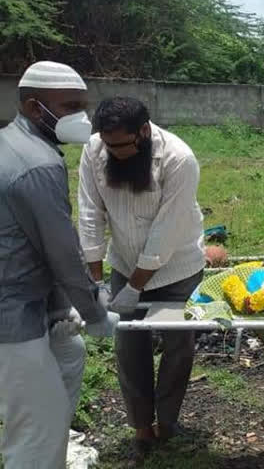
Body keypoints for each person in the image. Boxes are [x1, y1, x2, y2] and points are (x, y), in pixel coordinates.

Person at [0, 61, 119, 469]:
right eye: (70, 106)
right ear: (36, 108)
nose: (81, 117)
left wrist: (57, 311)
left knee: (70, 353)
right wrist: (94, 310)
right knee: (36, 429)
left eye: (83, 106)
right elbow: (61, 250)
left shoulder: (11, 143)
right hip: (11, 315)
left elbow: (22, 239)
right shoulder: (38, 164)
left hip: (25, 300)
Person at [78, 97, 206, 459]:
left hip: (177, 267)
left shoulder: (179, 159)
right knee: (128, 346)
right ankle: (142, 429)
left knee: (178, 346)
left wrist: (136, 287)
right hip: (122, 261)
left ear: (144, 132)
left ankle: (168, 423)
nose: (114, 153)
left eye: (122, 145)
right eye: (108, 144)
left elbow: (165, 233)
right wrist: (99, 282)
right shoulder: (95, 151)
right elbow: (89, 214)